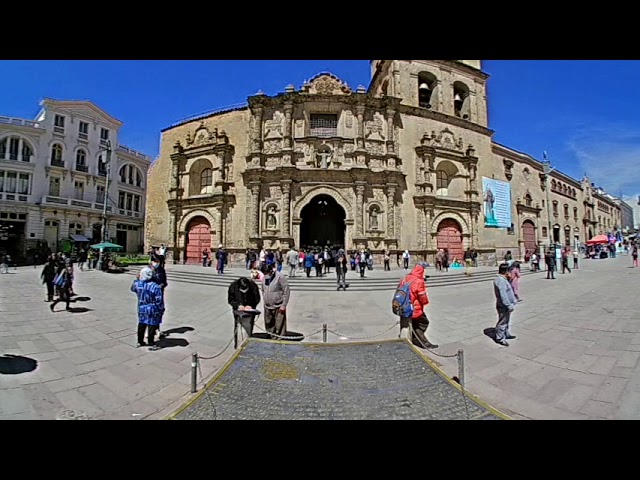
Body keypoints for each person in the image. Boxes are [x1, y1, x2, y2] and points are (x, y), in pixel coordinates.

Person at [398, 262, 438, 349]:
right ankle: (417, 340)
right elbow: (422, 297)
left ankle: (421, 341)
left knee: (416, 324)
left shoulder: (405, 277)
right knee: (424, 322)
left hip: (404, 306)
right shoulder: (419, 282)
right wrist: (425, 302)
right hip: (414, 308)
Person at [131, 266, 165, 350]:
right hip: (153, 308)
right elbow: (159, 300)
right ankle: (151, 341)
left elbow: (132, 288)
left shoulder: (137, 284)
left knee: (142, 324)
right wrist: (161, 309)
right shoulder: (155, 286)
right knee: (152, 325)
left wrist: (137, 279)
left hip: (142, 307)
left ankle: (140, 341)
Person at [228, 276, 261, 346]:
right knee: (238, 327)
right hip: (238, 311)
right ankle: (237, 344)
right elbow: (230, 300)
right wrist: (238, 305)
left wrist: (251, 305)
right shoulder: (233, 286)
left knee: (249, 326)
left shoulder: (253, 286)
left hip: (249, 311)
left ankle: (248, 341)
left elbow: (257, 298)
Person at [261, 262, 290, 339]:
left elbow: (286, 291)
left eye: (267, 273)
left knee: (280, 323)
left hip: (278, 305)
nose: (265, 275)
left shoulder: (280, 277)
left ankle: (281, 337)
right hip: (267, 305)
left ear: (271, 271)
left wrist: (283, 305)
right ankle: (271, 335)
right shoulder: (264, 277)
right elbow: (263, 289)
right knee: (268, 322)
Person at [493, 263, 517, 346]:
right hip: (504, 305)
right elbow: (503, 294)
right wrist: (508, 305)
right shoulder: (501, 281)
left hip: (505, 305)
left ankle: (506, 334)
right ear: (506, 272)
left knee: (506, 321)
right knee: (502, 322)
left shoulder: (503, 279)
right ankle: (500, 338)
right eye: (509, 271)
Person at [150, 254, 169, 340]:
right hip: (150, 294)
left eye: (157, 261)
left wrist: (161, 285)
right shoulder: (148, 269)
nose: (156, 263)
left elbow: (165, 282)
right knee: (151, 311)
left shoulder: (161, 270)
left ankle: (157, 328)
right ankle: (151, 329)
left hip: (159, 293)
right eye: (155, 261)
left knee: (159, 310)